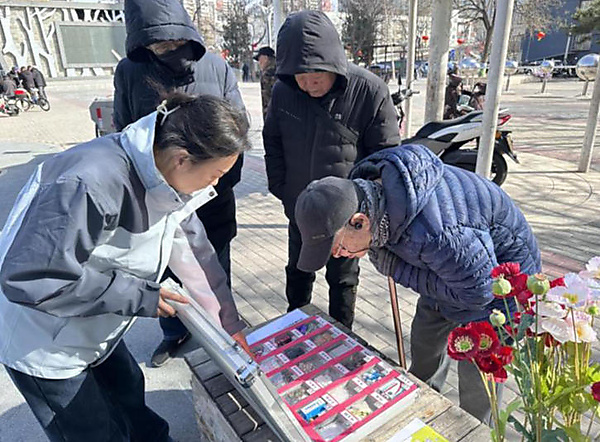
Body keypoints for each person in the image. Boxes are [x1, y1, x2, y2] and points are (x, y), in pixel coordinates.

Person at [0, 92, 252, 442]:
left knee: (130, 398)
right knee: (91, 431)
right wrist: (141, 296)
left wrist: (228, 326)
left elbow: (195, 255)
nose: (216, 184)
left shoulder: (164, 176)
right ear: (182, 159)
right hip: (44, 341)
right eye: (216, 174)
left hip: (95, 321)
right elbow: (33, 279)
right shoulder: (89, 182)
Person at [293, 144, 541, 423]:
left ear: (360, 221)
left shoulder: (438, 233)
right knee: (425, 345)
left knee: (477, 380)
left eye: (338, 246)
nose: (338, 255)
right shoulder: (370, 199)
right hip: (455, 270)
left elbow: (478, 293)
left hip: (500, 288)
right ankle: (424, 413)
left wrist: (395, 267)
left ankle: (476, 431)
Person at [114, 0, 247, 367]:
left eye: (174, 41)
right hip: (159, 195)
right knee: (168, 272)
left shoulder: (215, 65)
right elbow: (124, 128)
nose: (168, 49)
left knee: (213, 263)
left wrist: (216, 179)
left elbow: (239, 130)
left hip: (211, 195)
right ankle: (174, 334)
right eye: (158, 44)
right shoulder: (130, 71)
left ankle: (223, 332)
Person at [263, 11, 400, 329]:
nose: (308, 84)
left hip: (347, 215)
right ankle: (294, 328)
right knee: (299, 270)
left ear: (333, 63)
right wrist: (282, 190)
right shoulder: (284, 91)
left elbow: (387, 158)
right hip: (301, 206)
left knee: (343, 280)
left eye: (316, 76)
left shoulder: (369, 90)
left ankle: (343, 334)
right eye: (300, 76)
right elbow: (272, 141)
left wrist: (366, 211)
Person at [254, 46, 276, 120]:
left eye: (260, 59)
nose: (259, 62)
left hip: (273, 117)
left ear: (266, 58)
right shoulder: (280, 69)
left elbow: (267, 98)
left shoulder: (267, 74)